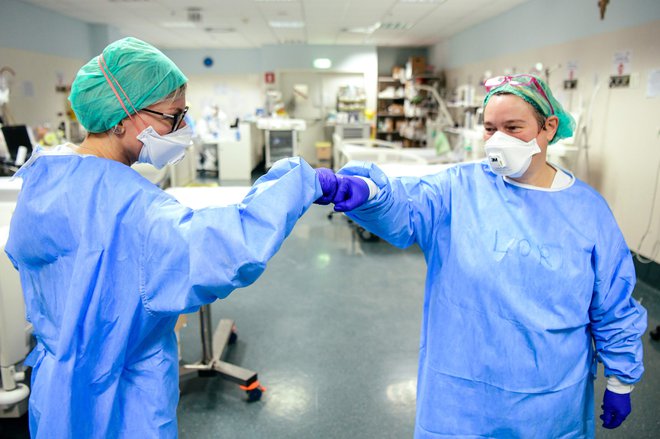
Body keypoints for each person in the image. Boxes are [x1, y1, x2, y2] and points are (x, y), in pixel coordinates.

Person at [4, 37, 338, 439]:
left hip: (58, 389)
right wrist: (301, 183)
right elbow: (223, 247)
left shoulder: (46, 175)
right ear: (121, 118)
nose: (183, 128)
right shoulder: (131, 208)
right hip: (119, 401)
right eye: (171, 117)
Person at [326, 74, 647, 437]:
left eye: (513, 127)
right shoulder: (457, 189)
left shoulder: (588, 211)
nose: (499, 141)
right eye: (490, 129)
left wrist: (621, 379)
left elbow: (611, 302)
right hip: (461, 398)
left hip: (548, 400)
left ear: (548, 127)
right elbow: (405, 206)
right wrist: (364, 190)